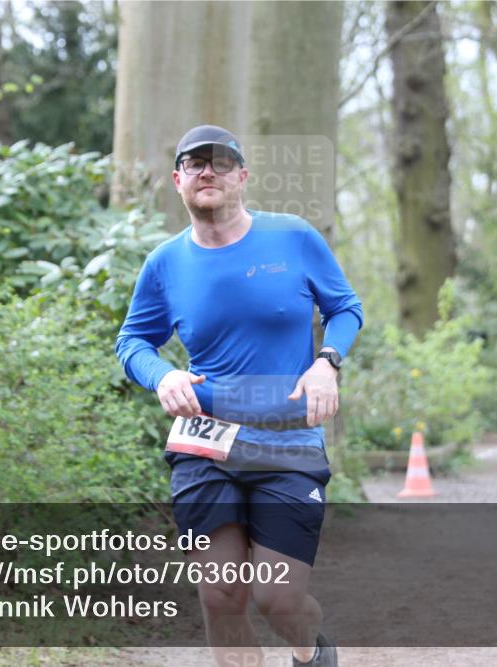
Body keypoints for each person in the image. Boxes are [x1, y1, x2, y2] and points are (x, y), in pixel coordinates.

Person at [115, 125, 361, 667]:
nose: (208, 171)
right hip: (206, 442)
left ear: (242, 177)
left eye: (221, 162)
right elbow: (132, 340)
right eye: (194, 163)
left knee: (279, 599)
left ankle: (311, 649)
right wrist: (162, 375)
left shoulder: (292, 237)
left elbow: (346, 308)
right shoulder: (165, 263)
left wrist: (327, 363)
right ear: (177, 179)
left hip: (288, 440)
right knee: (221, 595)